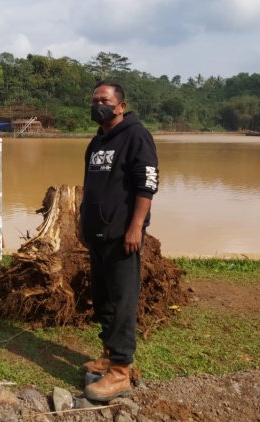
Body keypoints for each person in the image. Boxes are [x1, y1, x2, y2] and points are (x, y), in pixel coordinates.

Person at [79, 81, 159, 402]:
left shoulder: (136, 136)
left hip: (123, 237)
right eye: (95, 99)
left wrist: (136, 226)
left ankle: (121, 371)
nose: (99, 104)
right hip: (97, 235)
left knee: (123, 301)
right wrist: (84, 224)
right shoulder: (97, 141)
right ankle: (109, 354)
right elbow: (90, 188)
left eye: (105, 100)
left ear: (120, 106)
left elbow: (147, 183)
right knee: (104, 299)